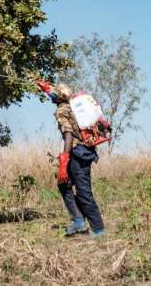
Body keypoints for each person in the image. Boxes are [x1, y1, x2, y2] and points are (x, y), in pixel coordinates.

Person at [46, 83, 105, 237]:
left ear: (58, 97)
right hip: (85, 150)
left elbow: (68, 136)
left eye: (53, 94)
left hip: (78, 153)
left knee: (83, 191)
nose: (50, 96)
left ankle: (98, 229)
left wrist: (64, 161)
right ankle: (78, 220)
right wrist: (44, 86)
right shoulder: (73, 106)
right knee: (63, 184)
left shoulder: (61, 111)